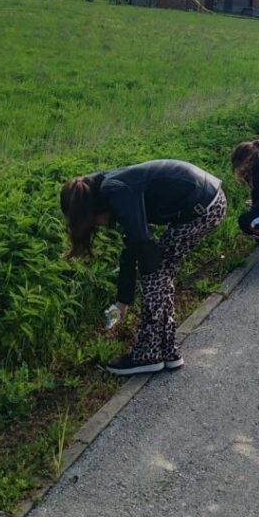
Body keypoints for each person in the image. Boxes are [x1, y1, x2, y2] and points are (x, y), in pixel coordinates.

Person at [61, 159, 227, 375]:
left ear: (89, 212)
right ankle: (167, 351)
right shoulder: (107, 189)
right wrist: (123, 301)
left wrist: (128, 296)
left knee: (154, 275)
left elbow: (142, 243)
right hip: (205, 201)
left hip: (203, 206)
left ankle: (148, 354)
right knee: (158, 273)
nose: (97, 226)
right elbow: (131, 246)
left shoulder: (114, 191)